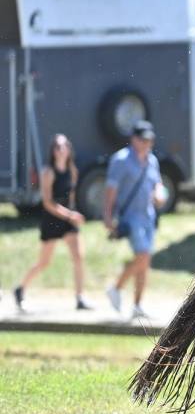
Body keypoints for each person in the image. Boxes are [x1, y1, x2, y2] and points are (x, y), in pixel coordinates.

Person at [12, 134, 91, 312]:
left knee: (79, 256)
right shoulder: (48, 172)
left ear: (69, 149)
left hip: (68, 219)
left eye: (64, 146)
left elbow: (70, 196)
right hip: (52, 219)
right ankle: (20, 288)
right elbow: (47, 202)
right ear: (53, 151)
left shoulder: (72, 170)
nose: (61, 150)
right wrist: (70, 215)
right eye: (57, 147)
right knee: (44, 262)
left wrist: (73, 214)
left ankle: (80, 297)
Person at [102, 120, 165, 320]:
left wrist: (160, 194)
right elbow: (111, 190)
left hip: (149, 216)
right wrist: (107, 215)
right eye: (143, 139)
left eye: (150, 140)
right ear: (133, 139)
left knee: (144, 263)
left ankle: (137, 305)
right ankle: (116, 288)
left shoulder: (152, 160)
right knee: (143, 256)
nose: (147, 143)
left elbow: (158, 184)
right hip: (131, 217)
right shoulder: (120, 160)